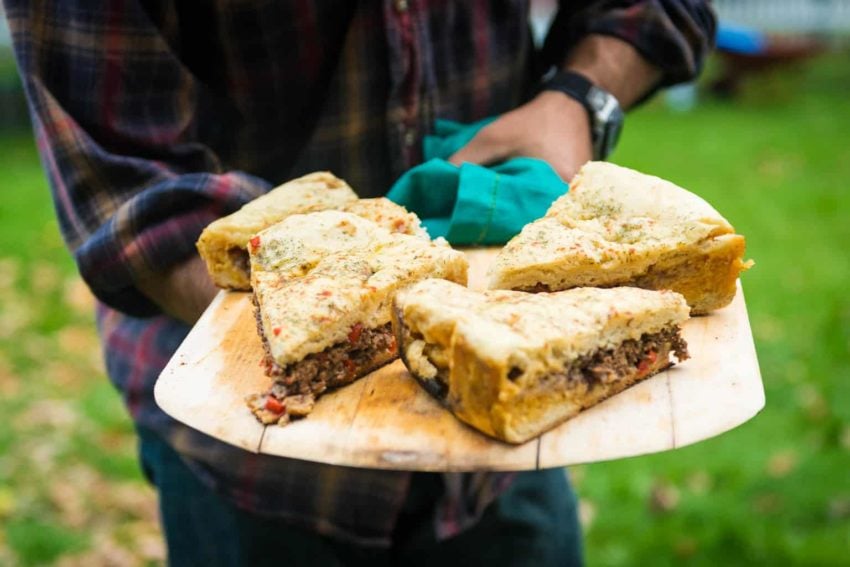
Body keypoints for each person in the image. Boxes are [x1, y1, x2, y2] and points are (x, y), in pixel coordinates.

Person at [4, 1, 715, 564]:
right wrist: (304, 310)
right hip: (245, 469)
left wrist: (578, 97)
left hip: (507, 460)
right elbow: (124, 185)